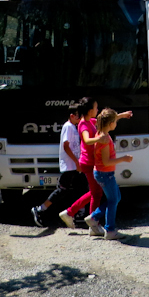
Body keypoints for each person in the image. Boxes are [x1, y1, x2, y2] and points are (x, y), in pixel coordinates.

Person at [31, 101, 88, 227]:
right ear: (72, 115)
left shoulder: (74, 127)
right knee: (62, 191)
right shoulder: (68, 127)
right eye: (78, 115)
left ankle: (80, 213)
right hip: (70, 166)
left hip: (75, 166)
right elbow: (66, 146)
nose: (80, 118)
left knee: (82, 188)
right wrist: (77, 162)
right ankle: (40, 209)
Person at [85, 108, 134, 241]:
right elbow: (106, 161)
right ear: (111, 123)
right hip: (105, 174)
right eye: (115, 121)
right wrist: (123, 158)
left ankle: (94, 218)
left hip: (102, 173)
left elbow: (109, 118)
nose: (116, 124)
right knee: (113, 200)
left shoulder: (100, 132)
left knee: (115, 198)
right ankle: (109, 230)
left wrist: (121, 116)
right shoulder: (105, 139)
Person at [64, 97, 106, 233]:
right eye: (96, 108)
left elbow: (106, 120)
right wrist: (99, 139)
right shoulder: (83, 124)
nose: (97, 110)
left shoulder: (91, 121)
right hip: (88, 163)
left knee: (95, 192)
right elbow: (87, 140)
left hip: (92, 162)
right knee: (97, 194)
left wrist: (121, 116)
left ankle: (70, 212)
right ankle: (93, 224)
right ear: (89, 111)